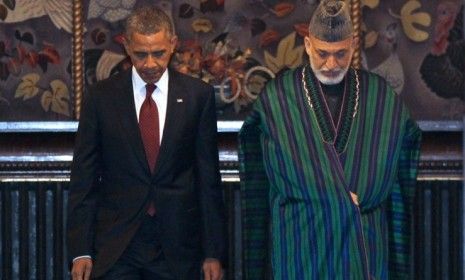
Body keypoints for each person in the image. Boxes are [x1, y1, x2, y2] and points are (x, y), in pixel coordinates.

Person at [239, 0, 421, 279]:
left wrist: (359, 190)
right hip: (301, 243)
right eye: (323, 53)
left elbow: (398, 150)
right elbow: (271, 167)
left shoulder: (379, 96)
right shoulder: (278, 98)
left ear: (353, 45)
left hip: (362, 247)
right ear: (308, 44)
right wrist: (339, 195)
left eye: (341, 54)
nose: (332, 63)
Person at [67, 5, 225, 280]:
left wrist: (213, 252)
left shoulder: (197, 96)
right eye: (141, 54)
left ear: (172, 45)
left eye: (158, 53)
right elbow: (84, 179)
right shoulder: (101, 97)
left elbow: (207, 178)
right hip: (117, 245)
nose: (150, 63)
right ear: (127, 46)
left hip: (177, 247)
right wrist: (81, 250)